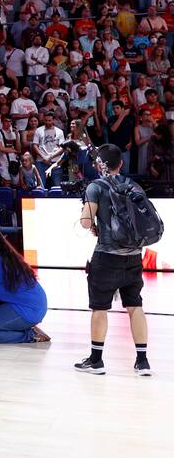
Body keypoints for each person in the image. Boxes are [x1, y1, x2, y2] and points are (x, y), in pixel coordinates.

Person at [76, 144, 152, 376]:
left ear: (99, 164)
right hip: (134, 256)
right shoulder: (133, 185)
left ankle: (96, 361)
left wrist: (90, 218)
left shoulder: (96, 187)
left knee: (99, 308)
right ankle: (142, 362)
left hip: (106, 258)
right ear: (121, 163)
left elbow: (85, 223)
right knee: (135, 306)